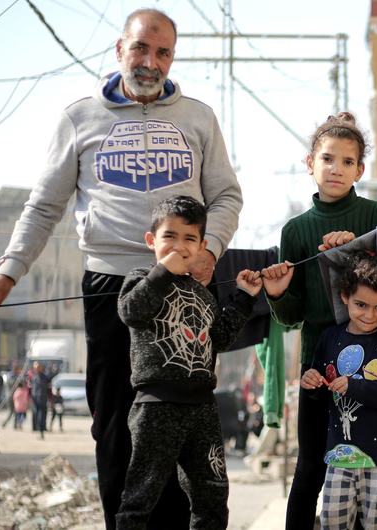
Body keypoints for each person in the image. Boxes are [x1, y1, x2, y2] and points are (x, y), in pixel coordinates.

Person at [0, 8, 242, 527]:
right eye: (141, 48)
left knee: (181, 415)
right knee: (115, 419)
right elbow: (44, 205)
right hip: (109, 285)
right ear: (119, 51)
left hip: (182, 288)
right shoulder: (79, 118)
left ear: (172, 58)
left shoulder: (199, 118)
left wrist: (210, 250)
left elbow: (226, 195)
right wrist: (9, 270)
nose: (151, 62)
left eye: (163, 52)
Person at [260, 112, 377, 530]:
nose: (336, 168)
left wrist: (357, 250)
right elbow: (293, 316)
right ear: (310, 163)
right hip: (319, 367)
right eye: (328, 158)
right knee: (311, 470)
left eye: (347, 161)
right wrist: (279, 293)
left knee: (367, 468)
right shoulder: (296, 230)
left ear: (360, 169)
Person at [115, 196, 262, 530]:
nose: (179, 246)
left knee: (212, 496)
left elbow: (219, 339)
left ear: (201, 246)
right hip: (157, 408)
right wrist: (163, 271)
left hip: (202, 409)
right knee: (140, 497)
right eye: (170, 236)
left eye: (189, 239)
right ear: (151, 240)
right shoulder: (141, 278)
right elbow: (131, 312)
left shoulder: (204, 293)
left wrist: (243, 297)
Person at [270, 254, 377, 530]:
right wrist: (311, 383)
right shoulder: (329, 338)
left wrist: (355, 387)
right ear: (344, 296)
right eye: (361, 305)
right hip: (338, 456)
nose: (370, 315)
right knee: (331, 521)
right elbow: (323, 394)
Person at [30, 362, 51, 440]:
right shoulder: (34, 377)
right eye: (35, 367)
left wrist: (50, 399)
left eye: (38, 367)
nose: (36, 369)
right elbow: (33, 389)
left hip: (42, 400)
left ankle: (41, 431)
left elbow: (48, 389)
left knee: (41, 416)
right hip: (36, 400)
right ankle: (39, 430)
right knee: (37, 416)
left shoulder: (44, 377)